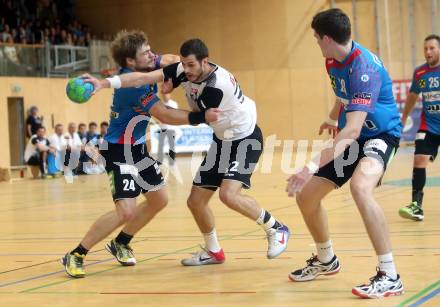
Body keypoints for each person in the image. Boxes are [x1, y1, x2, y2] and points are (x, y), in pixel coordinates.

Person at [89, 38, 290, 267]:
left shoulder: (215, 88)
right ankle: (213, 251)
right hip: (222, 140)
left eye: (191, 66)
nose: (187, 70)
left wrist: (170, 82)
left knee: (228, 195)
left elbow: (182, 114)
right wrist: (104, 83)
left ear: (205, 62)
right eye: (184, 65)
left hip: (244, 139)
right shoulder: (185, 67)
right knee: (195, 202)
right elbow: (143, 76)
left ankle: (276, 227)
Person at [61, 30, 220, 278]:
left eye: (149, 49)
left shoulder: (147, 63)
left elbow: (169, 59)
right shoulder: (132, 86)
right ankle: (77, 253)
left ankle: (121, 242)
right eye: (145, 53)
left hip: (137, 148)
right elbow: (165, 114)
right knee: (126, 211)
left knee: (159, 199)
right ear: (131, 62)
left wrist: (178, 65)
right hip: (117, 150)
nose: (151, 54)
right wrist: (201, 117)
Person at [285, 9, 404, 299]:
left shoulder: (365, 69)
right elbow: (344, 97)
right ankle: (327, 260)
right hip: (353, 133)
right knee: (307, 196)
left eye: (316, 37)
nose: (315, 41)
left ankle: (390, 275)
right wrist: (330, 117)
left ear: (326, 38)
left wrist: (308, 166)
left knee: (361, 187)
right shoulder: (332, 60)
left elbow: (351, 133)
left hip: (379, 135)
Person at [398, 34, 440, 221]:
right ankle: (416, 206)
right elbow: (413, 96)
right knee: (419, 160)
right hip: (428, 125)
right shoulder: (420, 73)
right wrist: (404, 117)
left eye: (432, 48)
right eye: (425, 49)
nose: (428, 52)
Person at [157, 93, 178, 165]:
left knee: (171, 145)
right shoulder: (160, 104)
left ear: (169, 95)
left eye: (166, 95)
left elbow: (175, 116)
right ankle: (160, 160)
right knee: (161, 145)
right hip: (163, 127)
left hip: (171, 128)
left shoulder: (174, 104)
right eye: (164, 95)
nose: (165, 96)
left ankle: (172, 160)